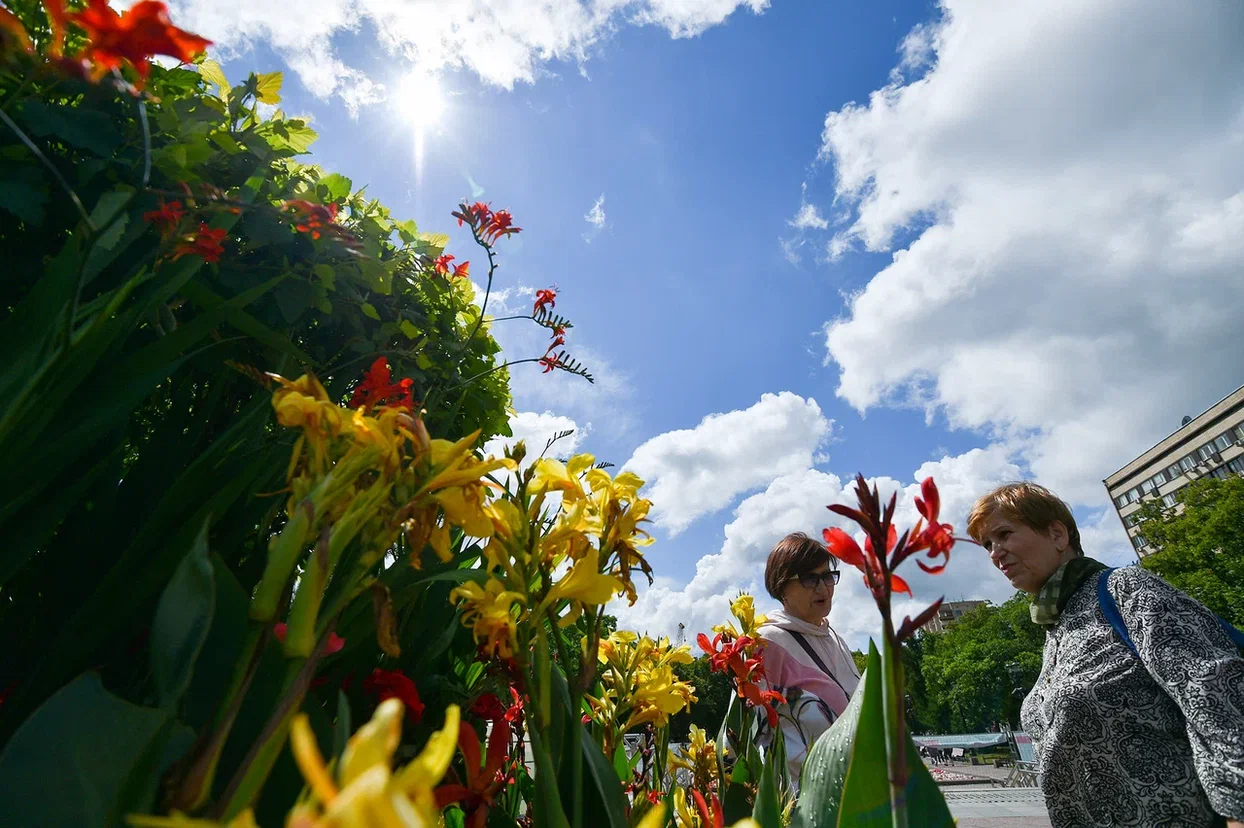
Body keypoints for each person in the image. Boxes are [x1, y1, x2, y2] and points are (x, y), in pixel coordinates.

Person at [968, 482, 1244, 828]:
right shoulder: (1057, 628)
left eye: (1004, 534)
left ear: (1057, 534)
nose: (995, 553)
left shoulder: (1125, 590)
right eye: (987, 545)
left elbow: (1217, 695)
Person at [757, 532, 861, 786]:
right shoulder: (767, 642)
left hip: (855, 789)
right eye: (809, 578)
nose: (823, 587)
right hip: (803, 798)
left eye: (827, 576)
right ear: (781, 586)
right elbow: (748, 735)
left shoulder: (834, 638)